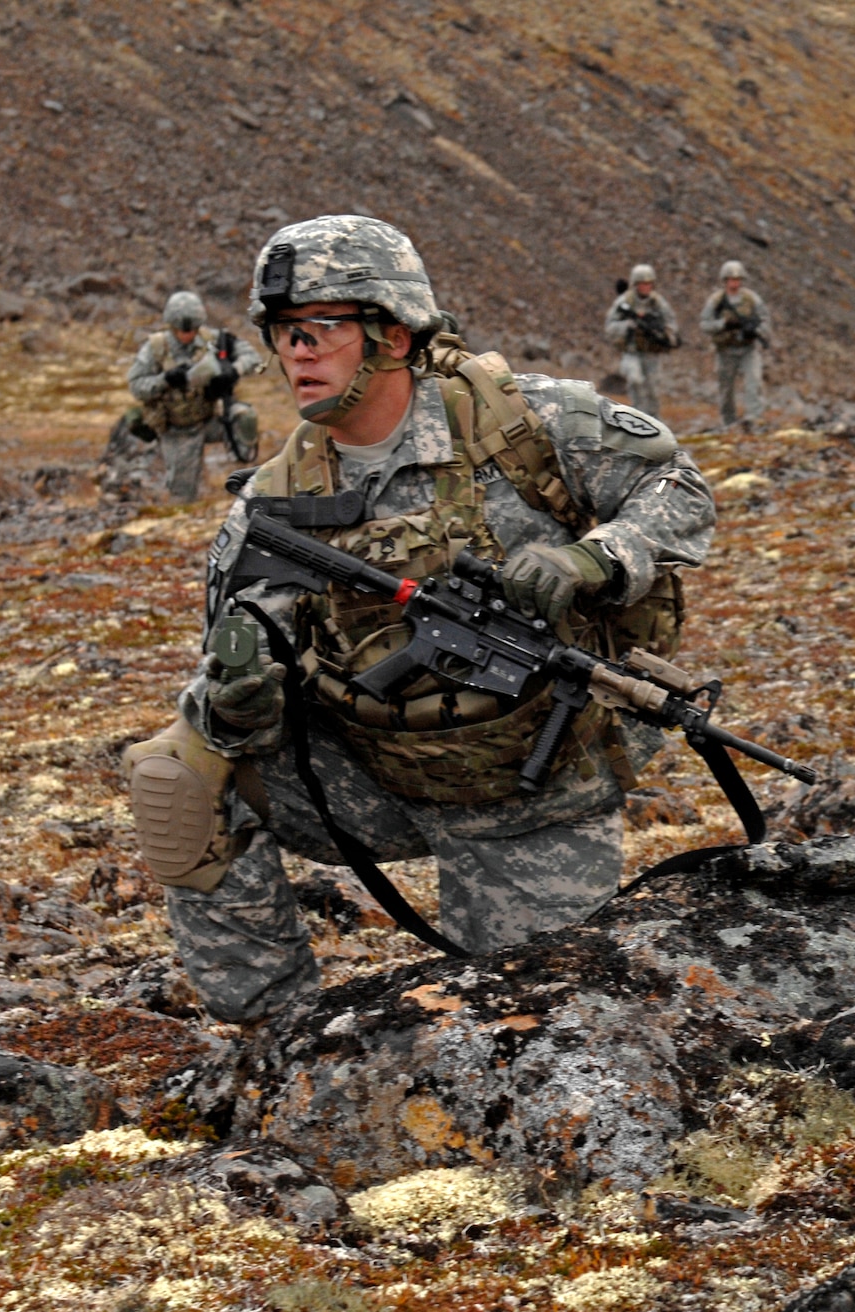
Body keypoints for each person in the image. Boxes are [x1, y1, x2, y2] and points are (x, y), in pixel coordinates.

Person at [123, 216, 715, 1023]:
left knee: (530, 1020)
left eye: (321, 329)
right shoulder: (274, 498)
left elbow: (679, 488)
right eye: (283, 333)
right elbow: (230, 660)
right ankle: (273, 1033)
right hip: (375, 776)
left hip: (528, 792)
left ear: (393, 336)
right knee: (178, 770)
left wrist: (598, 558)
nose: (296, 352)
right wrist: (240, 698)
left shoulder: (524, 425)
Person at [123, 290, 264, 502]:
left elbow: (252, 357)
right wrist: (165, 380)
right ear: (171, 325)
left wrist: (233, 370)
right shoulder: (156, 348)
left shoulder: (214, 340)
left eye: (192, 329)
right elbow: (136, 386)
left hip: (209, 420)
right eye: (182, 330)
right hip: (176, 430)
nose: (187, 334)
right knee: (182, 496)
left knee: (245, 416)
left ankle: (243, 474)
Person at [698, 259, 772, 432]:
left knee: (754, 382)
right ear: (725, 280)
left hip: (748, 348)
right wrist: (723, 324)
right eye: (731, 279)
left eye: (738, 279)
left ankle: (755, 419)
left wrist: (755, 330)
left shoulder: (751, 298)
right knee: (726, 389)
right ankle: (728, 422)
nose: (735, 282)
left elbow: (765, 319)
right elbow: (704, 324)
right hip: (726, 350)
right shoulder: (716, 301)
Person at [603, 263, 679, 418]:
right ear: (635, 284)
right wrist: (627, 326)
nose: (646, 287)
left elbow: (671, 324)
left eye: (649, 284)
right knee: (635, 380)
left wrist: (663, 333)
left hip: (652, 353)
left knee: (653, 389)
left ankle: (654, 422)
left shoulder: (658, 303)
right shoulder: (625, 302)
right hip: (631, 351)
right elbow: (610, 327)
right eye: (642, 284)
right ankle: (638, 418)